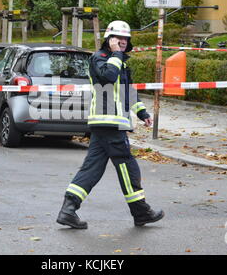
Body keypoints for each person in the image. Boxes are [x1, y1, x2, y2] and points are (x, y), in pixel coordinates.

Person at [56, 20, 165, 229]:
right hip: (109, 122)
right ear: (109, 39)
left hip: (108, 124)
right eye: (118, 38)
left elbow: (128, 92)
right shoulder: (100, 58)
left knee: (92, 168)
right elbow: (108, 77)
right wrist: (115, 54)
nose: (123, 42)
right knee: (127, 166)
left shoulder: (121, 62)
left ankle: (68, 210)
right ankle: (141, 212)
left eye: (125, 38)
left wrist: (142, 112)